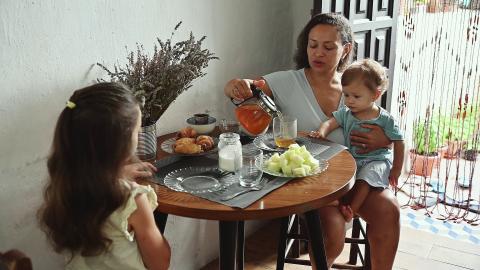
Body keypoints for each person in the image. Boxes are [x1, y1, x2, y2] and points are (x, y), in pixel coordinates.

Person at [224, 13, 400, 270]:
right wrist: (234, 86)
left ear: (345, 50)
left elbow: (386, 127)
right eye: (312, 44)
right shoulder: (287, 81)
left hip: (357, 176)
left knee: (389, 210)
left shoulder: (356, 84)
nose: (318, 53)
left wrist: (384, 140)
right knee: (333, 229)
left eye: (328, 47)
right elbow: (249, 86)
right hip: (312, 182)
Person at [38, 82, 170, 270]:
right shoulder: (132, 198)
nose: (140, 134)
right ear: (121, 143)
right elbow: (160, 263)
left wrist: (119, 174)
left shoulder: (65, 185)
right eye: (137, 131)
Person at [310, 59, 405, 222]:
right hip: (354, 160)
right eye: (346, 95)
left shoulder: (385, 119)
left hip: (377, 161)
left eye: (356, 96)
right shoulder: (347, 114)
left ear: (375, 95)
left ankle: (351, 210)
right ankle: (337, 200)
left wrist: (396, 169)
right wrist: (321, 132)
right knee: (340, 174)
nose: (349, 101)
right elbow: (330, 122)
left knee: (365, 179)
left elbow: (399, 141)